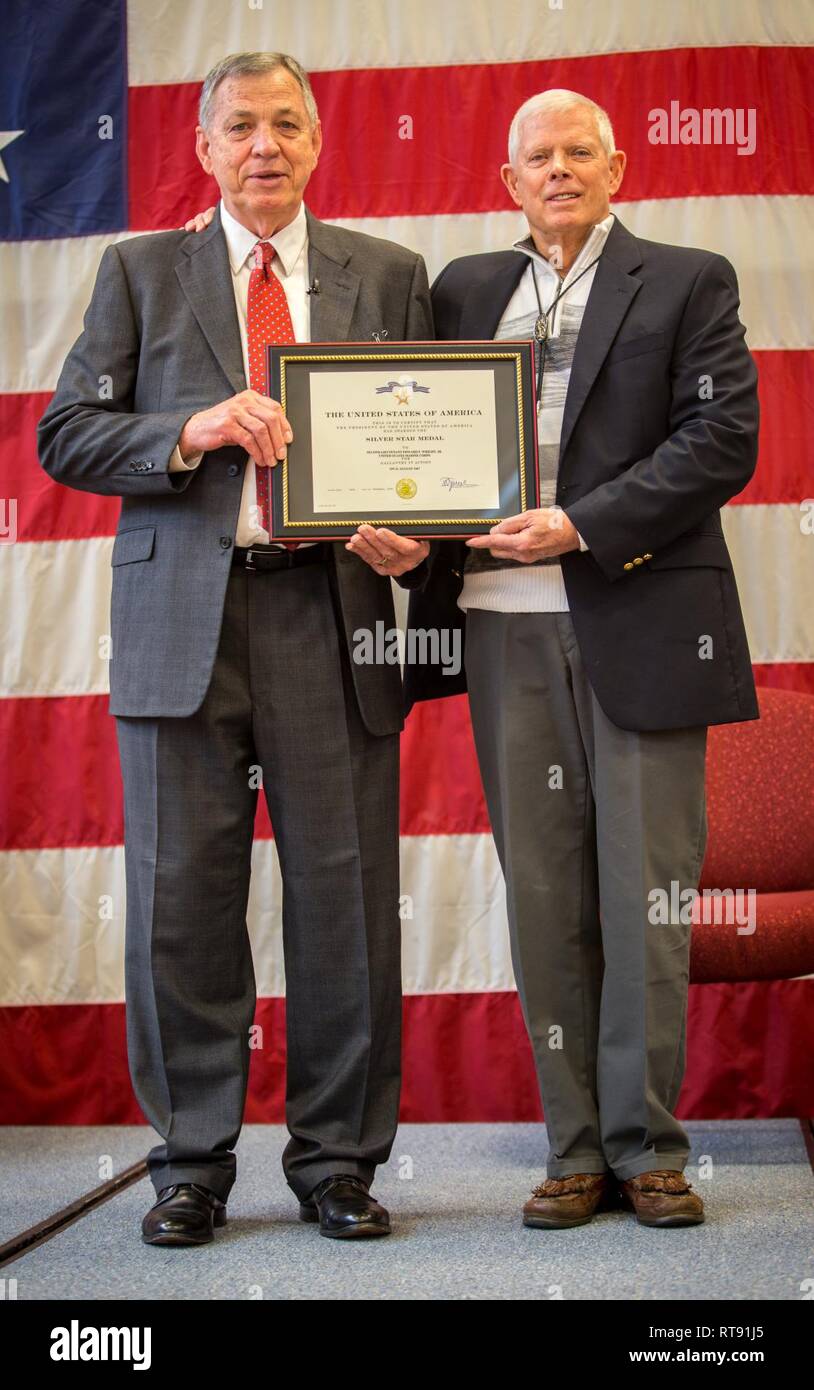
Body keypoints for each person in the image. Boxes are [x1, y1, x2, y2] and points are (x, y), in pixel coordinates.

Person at [38, 50, 433, 1246]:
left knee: (345, 900)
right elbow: (68, 436)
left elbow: (436, 438)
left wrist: (418, 537)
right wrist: (193, 428)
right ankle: (191, 1164)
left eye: (287, 125)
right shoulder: (140, 271)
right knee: (179, 902)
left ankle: (339, 1165)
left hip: (332, 614)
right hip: (181, 627)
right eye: (241, 126)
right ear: (203, 149)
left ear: (318, 143)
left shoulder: (391, 273)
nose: (266, 145)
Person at [349, 89, 759, 1230]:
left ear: (618, 166)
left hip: (637, 618)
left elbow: (721, 439)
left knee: (646, 894)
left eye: (580, 150)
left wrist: (580, 523)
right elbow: (415, 446)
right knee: (544, 897)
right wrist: (397, 531)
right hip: (497, 624)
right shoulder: (465, 289)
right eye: (539, 156)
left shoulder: (688, 277)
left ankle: (649, 1148)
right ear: (507, 179)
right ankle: (575, 1147)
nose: (561, 168)